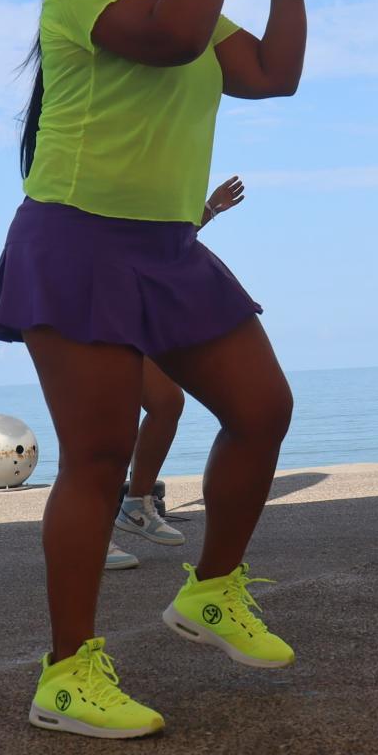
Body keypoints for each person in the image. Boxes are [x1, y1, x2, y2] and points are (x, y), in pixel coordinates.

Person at [0, 0, 331, 738]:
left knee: (262, 409)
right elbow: (175, 41)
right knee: (97, 461)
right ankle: (65, 674)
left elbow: (275, 74)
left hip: (168, 247)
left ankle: (213, 591)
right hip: (77, 238)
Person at [112, 174, 248, 555]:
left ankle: (136, 504)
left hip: (130, 309)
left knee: (166, 403)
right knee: (103, 427)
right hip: (92, 305)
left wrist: (209, 210)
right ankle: (91, 536)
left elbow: (159, 244)